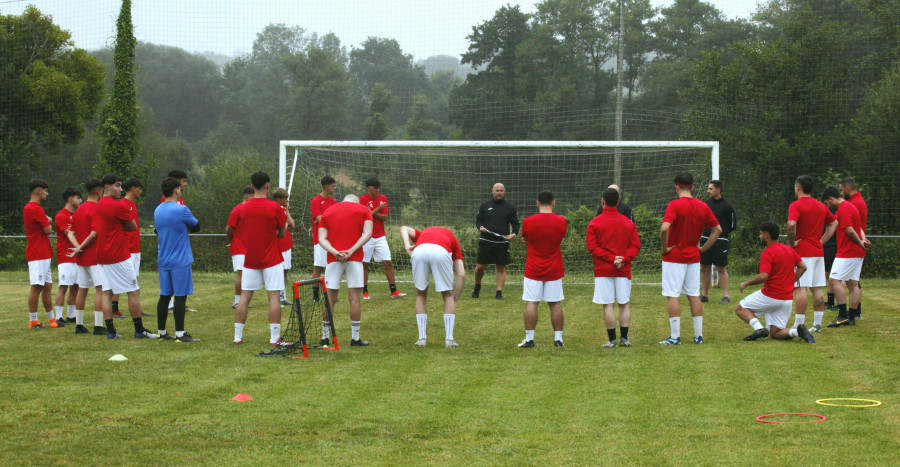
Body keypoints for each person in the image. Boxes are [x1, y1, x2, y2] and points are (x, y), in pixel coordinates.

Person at [659, 172, 722, 345]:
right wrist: (702, 248)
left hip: (674, 257)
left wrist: (665, 248)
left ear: (676, 187)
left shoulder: (675, 205)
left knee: (673, 295)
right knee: (694, 295)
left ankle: (675, 337)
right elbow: (717, 229)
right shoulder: (703, 206)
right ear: (692, 187)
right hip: (693, 257)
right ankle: (698, 335)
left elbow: (664, 229)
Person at [92, 174, 156, 339]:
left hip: (102, 256)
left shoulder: (98, 205)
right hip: (118, 255)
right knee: (133, 291)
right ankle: (139, 330)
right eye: (118, 186)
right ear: (107, 187)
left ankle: (111, 332)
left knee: (106, 292)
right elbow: (132, 226)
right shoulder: (117, 206)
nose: (121, 189)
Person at [228, 171, 287, 346]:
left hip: (250, 259)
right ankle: (274, 338)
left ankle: (237, 336)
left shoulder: (242, 208)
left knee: (244, 296)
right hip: (272, 259)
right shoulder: (275, 208)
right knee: (274, 296)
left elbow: (231, 229)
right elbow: (282, 233)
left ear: (252, 187)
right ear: (268, 187)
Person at [736, 222, 815, 343]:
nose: (760, 236)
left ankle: (759, 329)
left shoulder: (767, 253)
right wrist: (791, 281)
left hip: (771, 295)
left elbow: (764, 276)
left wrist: (746, 283)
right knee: (775, 333)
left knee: (740, 308)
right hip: (786, 299)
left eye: (761, 234)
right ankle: (798, 331)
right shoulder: (789, 249)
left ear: (766, 235)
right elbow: (803, 267)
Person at [587, 187, 641, 348]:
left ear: (603, 202)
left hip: (603, 269)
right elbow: (636, 245)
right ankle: (624, 338)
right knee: (624, 303)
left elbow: (592, 246)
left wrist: (611, 258)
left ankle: (612, 340)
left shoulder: (595, 223)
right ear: (618, 202)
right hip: (623, 269)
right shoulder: (628, 223)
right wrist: (623, 259)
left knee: (608, 304)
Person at [319, 194, 373, 347]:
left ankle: (325, 338)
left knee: (330, 299)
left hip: (333, 259)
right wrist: (351, 250)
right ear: (355, 201)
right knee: (354, 298)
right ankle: (355, 338)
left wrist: (335, 252)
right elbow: (368, 233)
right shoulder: (363, 210)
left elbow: (322, 238)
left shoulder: (328, 211)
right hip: (354, 259)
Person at [400, 225, 465, 348]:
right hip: (441, 251)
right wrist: (455, 300)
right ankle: (449, 339)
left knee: (421, 293)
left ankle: (421, 339)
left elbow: (403, 228)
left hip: (419, 251)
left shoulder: (423, 234)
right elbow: (461, 275)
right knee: (447, 295)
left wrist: (407, 246)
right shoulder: (453, 240)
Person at [787, 175, 837, 333]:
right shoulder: (821, 206)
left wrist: (792, 242)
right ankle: (817, 324)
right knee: (817, 288)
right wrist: (822, 240)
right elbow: (834, 222)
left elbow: (791, 224)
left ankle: (798, 324)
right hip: (818, 251)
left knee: (801, 288)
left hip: (803, 251)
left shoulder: (796, 205)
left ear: (797, 187)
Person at [518, 190, 567, 348]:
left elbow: (525, 239)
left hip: (534, 268)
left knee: (532, 302)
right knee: (555, 303)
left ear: (537, 203)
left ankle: (530, 339)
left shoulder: (528, 221)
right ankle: (558, 339)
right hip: (554, 268)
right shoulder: (561, 221)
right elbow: (559, 239)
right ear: (554, 203)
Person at [154, 177, 201, 342]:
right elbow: (196, 225)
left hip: (163, 259)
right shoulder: (181, 209)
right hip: (180, 260)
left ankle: (161, 332)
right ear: (176, 190)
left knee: (165, 296)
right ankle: (180, 334)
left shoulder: (157, 210)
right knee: (180, 296)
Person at [821, 185, 868, 327]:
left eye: (827, 203)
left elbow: (850, 230)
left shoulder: (843, 209)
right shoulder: (850, 206)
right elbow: (858, 227)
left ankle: (842, 316)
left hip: (848, 252)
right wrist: (864, 240)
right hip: (856, 252)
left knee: (834, 280)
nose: (828, 206)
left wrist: (860, 242)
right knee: (853, 284)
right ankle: (852, 317)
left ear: (830, 199)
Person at [67, 178, 107, 335]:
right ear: (98, 191)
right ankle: (98, 326)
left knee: (82, 289)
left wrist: (77, 247)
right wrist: (81, 247)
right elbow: (94, 233)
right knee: (100, 289)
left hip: (82, 258)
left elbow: (71, 233)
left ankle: (79, 325)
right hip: (95, 256)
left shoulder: (79, 209)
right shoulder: (97, 208)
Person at [360, 176, 406, 300]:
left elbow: (384, 217)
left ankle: (393, 291)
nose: (378, 191)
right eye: (376, 189)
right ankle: (365, 291)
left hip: (380, 236)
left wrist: (373, 212)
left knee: (388, 262)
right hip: (366, 236)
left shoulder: (383, 198)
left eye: (379, 189)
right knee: (364, 264)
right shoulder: (363, 199)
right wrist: (378, 209)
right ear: (370, 188)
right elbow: (367, 216)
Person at [473, 183, 519, 300]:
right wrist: (480, 227)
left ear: (504, 192)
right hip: (486, 241)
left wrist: (513, 234)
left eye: (501, 190)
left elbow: (516, 224)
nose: (499, 193)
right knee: (480, 267)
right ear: (492, 191)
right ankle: (477, 286)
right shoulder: (485, 206)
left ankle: (499, 293)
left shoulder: (510, 208)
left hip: (502, 243)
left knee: (501, 267)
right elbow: (478, 221)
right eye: (497, 190)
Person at [112, 177, 146, 319]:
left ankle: (137, 308)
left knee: (134, 280)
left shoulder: (133, 204)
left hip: (135, 249)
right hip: (127, 249)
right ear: (133, 188)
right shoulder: (122, 204)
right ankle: (114, 309)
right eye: (139, 188)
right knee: (121, 280)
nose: (141, 191)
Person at [23, 179, 55, 330]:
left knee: (47, 286)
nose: (47, 194)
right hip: (38, 253)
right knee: (36, 287)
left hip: (43, 252)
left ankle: (52, 319)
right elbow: (48, 230)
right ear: (38, 192)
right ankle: (33, 321)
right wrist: (49, 221)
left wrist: (47, 220)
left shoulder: (34, 208)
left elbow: (45, 224)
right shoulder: (34, 208)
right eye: (46, 191)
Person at [699, 180, 737, 304]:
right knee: (705, 267)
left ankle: (726, 296)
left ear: (718, 189)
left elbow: (732, 225)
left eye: (711, 189)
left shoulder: (727, 206)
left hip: (721, 240)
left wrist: (722, 233)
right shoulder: (705, 204)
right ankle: (704, 295)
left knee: (721, 268)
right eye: (708, 188)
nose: (708, 191)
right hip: (705, 238)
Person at [840, 177, 868, 322]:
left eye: (841, 190)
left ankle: (851, 313)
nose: (840, 193)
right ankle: (855, 312)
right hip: (856, 245)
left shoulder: (853, 204)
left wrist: (861, 240)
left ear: (847, 189)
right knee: (853, 281)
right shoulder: (859, 201)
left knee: (846, 281)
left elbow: (854, 228)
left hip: (852, 246)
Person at [54, 187, 82, 327]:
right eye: (78, 197)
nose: (80, 200)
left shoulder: (77, 214)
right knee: (63, 287)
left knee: (76, 287)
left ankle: (71, 316)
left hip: (77, 257)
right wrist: (80, 246)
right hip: (65, 256)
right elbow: (69, 234)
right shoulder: (61, 215)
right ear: (70, 199)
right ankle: (58, 317)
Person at [310, 175, 338, 302]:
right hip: (320, 240)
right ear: (326, 187)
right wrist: (327, 219)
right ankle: (315, 296)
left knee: (332, 266)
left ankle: (331, 294)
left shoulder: (334, 202)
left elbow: (335, 219)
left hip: (332, 240)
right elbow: (319, 219)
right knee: (318, 266)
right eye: (332, 186)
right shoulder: (315, 201)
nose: (334, 188)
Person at [227, 186, 254, 308]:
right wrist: (232, 241)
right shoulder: (237, 209)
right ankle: (237, 301)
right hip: (240, 248)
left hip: (251, 248)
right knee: (242, 274)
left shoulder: (252, 209)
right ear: (247, 196)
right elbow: (229, 228)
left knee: (249, 275)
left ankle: (244, 301)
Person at [272, 188, 295, 306]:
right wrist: (285, 223)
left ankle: (283, 296)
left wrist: (287, 211)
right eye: (285, 198)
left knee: (285, 271)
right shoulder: (274, 210)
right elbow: (281, 229)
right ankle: (277, 297)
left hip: (287, 244)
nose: (287, 200)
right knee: (278, 272)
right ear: (278, 199)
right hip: (278, 245)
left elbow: (293, 224)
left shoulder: (284, 210)